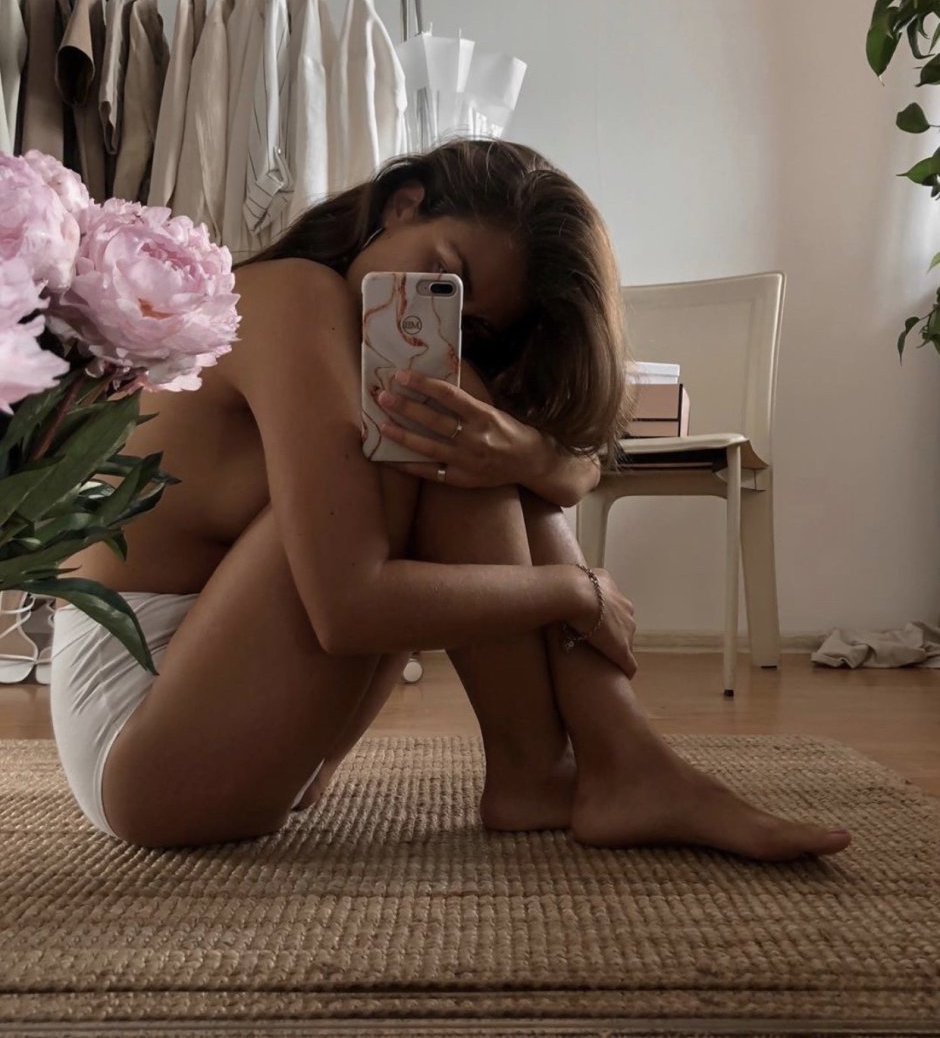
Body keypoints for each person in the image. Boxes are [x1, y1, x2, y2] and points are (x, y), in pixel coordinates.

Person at [50, 137, 852, 860]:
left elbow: (572, 472)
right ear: (404, 204)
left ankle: (607, 762)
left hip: (230, 724)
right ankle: (575, 766)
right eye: (447, 275)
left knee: (458, 427)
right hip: (143, 749)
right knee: (435, 419)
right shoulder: (293, 295)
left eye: (476, 318)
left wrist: (524, 451)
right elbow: (348, 608)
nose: (440, 311)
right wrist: (576, 589)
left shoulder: (372, 344)